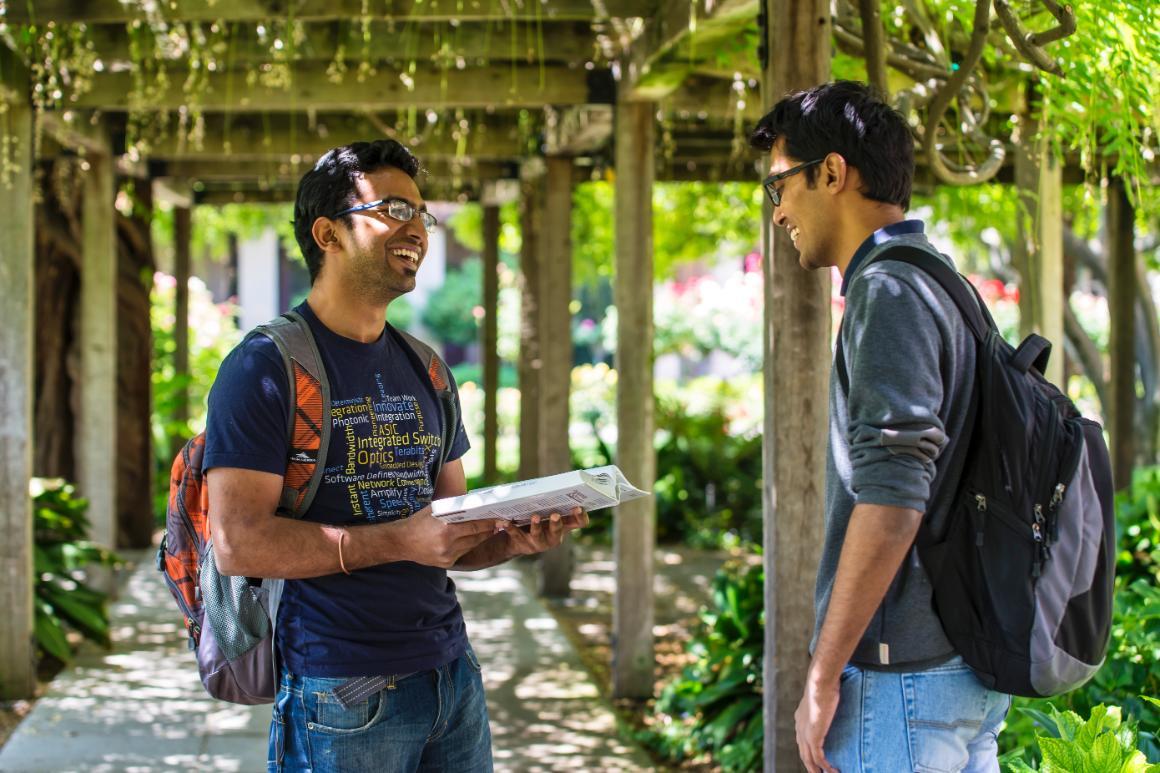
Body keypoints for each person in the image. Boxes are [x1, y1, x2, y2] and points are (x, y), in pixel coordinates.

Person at [202, 139, 588, 773]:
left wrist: (515, 538)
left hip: (451, 677)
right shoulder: (264, 367)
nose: (416, 227)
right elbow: (237, 543)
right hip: (340, 689)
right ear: (327, 233)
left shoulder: (427, 368)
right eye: (392, 209)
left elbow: (447, 531)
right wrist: (395, 541)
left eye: (421, 213)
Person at [749, 81, 1011, 773]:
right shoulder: (939, 279)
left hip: (903, 683)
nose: (777, 213)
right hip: (958, 669)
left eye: (780, 186)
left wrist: (821, 673)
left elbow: (893, 498)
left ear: (831, 173)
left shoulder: (887, 292)